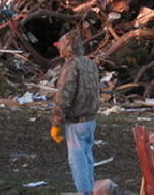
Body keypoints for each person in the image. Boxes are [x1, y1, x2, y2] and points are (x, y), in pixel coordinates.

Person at [50, 30, 100, 194]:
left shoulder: (71, 66)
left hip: (76, 122)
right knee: (87, 159)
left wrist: (56, 123)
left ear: (67, 47)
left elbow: (64, 96)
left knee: (77, 161)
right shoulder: (89, 63)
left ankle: (85, 192)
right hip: (91, 120)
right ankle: (90, 189)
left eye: (61, 46)